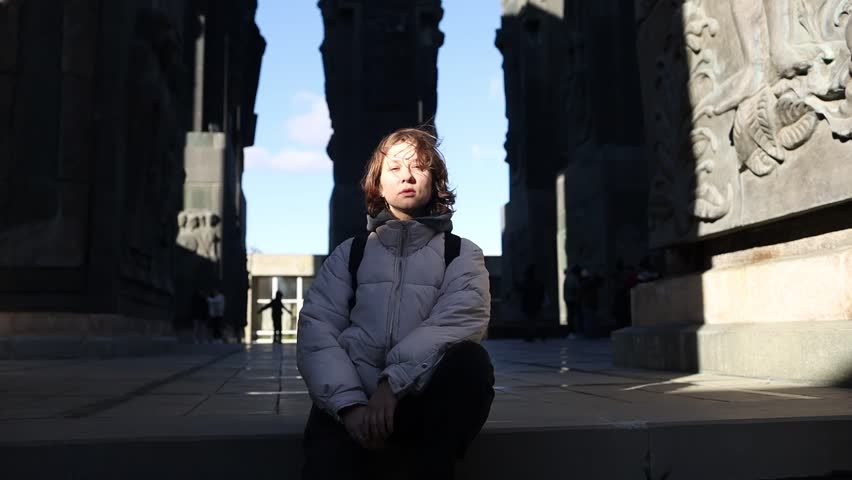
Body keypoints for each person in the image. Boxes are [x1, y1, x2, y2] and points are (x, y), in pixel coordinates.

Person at [297, 127, 495, 480]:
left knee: (472, 363)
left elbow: (458, 321)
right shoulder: (350, 254)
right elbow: (317, 330)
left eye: (419, 167)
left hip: (418, 401)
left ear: (434, 182)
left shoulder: (462, 254)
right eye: (395, 168)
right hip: (351, 403)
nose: (407, 175)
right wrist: (351, 406)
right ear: (379, 184)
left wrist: (393, 385)